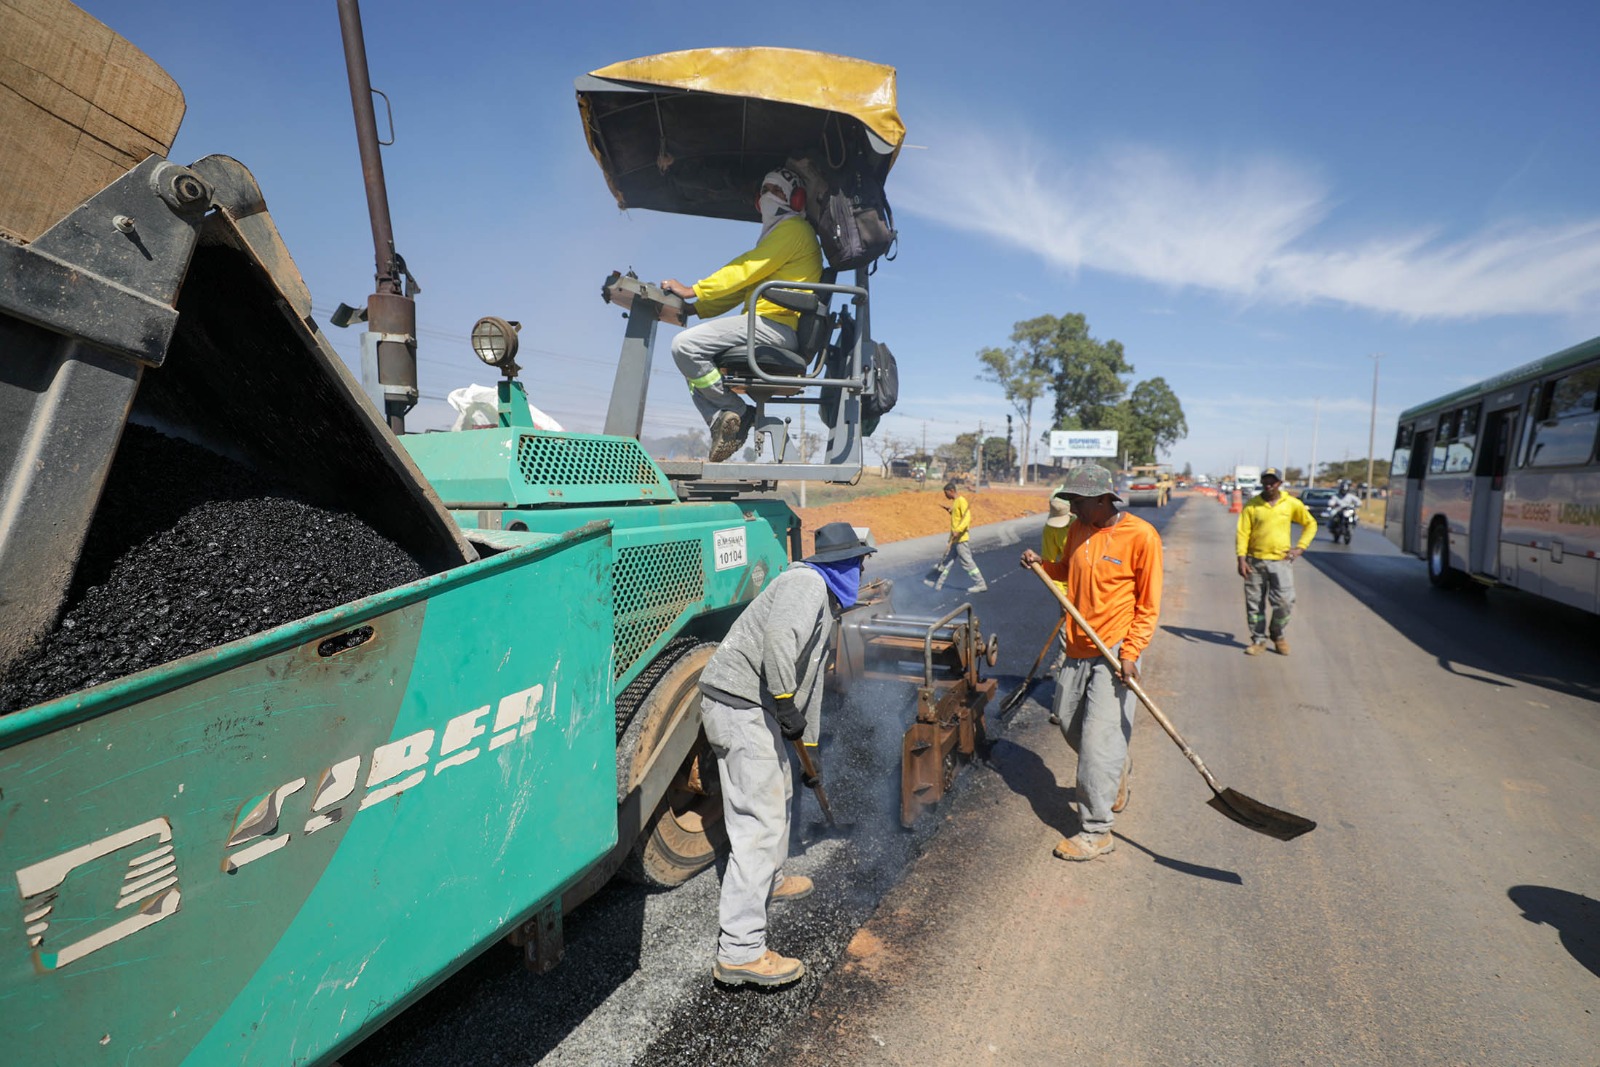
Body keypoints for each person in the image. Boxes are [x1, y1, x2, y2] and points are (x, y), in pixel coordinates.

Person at [696, 521, 874, 988]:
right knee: (759, 823)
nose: (862, 571)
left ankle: (769, 879)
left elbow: (808, 676)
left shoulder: (822, 596)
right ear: (843, 564)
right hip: (741, 706)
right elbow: (779, 639)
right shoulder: (807, 583)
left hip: (756, 708)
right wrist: (784, 701)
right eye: (859, 563)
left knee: (780, 796)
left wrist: (805, 740)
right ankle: (740, 952)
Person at [1018, 464, 1162, 862]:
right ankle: (1117, 766)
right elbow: (1067, 569)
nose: (1073, 508)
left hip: (1115, 649)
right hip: (1079, 643)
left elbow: (1149, 605)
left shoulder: (1141, 536)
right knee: (1068, 722)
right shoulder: (1078, 530)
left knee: (1098, 744)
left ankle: (1097, 831)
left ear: (1102, 500)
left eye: (1078, 501)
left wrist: (1131, 652)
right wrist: (1041, 564)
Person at [662, 167, 823, 462]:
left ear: (796, 199)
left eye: (777, 190)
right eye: (764, 191)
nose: (768, 196)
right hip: (762, 326)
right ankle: (722, 422)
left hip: (775, 326)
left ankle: (736, 411)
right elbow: (743, 288)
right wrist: (697, 308)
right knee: (694, 363)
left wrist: (693, 290)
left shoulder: (794, 229)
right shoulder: (779, 235)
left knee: (685, 346)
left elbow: (746, 268)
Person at [1235, 467, 1317, 656]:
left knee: (1285, 603)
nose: (1269, 485)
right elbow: (1242, 533)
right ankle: (1258, 640)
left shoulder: (1291, 504)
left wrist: (1300, 548)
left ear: (1280, 483)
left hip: (1281, 562)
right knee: (1254, 604)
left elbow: (1310, 524)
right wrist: (1241, 559)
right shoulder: (1252, 505)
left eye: (1273, 481)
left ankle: (1277, 633)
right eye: (1266, 481)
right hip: (1255, 562)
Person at [923, 481, 988, 592]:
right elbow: (958, 517)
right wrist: (950, 511)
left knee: (967, 562)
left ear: (951, 491)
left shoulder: (961, 501)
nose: (945, 495)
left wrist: (958, 530)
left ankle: (980, 584)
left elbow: (966, 518)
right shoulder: (956, 502)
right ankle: (936, 583)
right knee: (946, 561)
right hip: (954, 539)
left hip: (961, 539)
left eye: (946, 493)